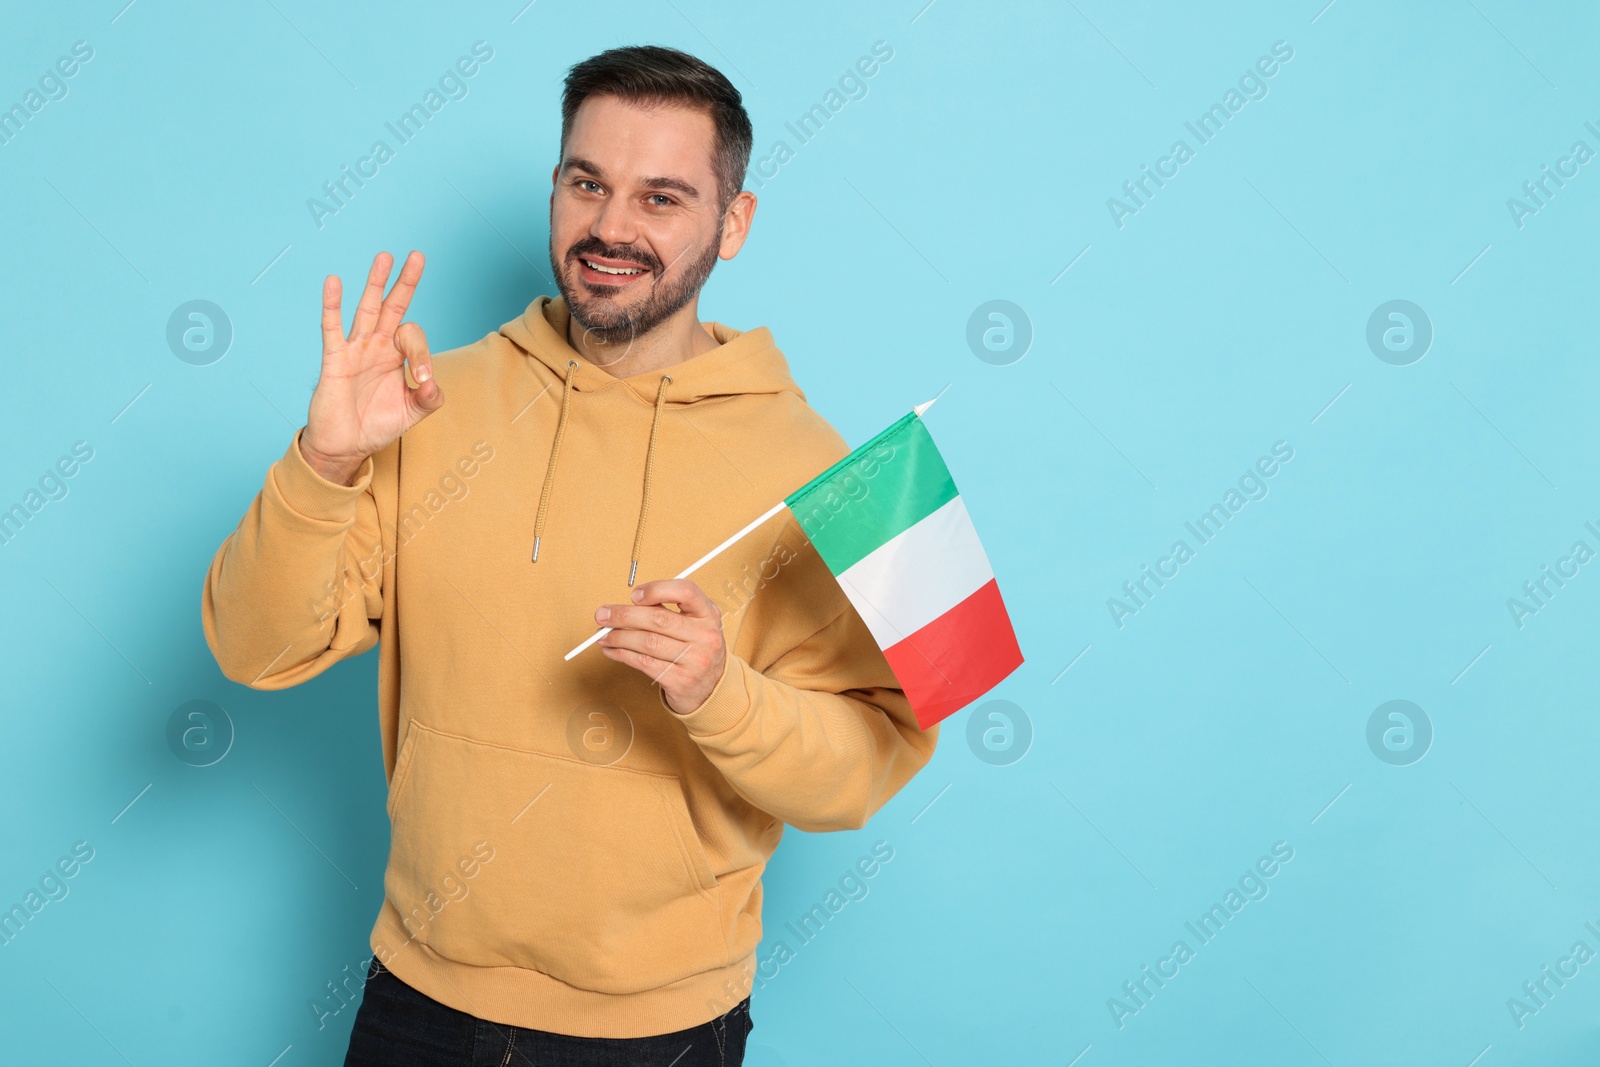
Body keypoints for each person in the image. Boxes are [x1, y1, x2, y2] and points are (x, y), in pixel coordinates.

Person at [201, 43, 938, 1066]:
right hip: (415, 994)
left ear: (735, 220)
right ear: (555, 186)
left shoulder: (823, 469)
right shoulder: (422, 402)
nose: (610, 228)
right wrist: (323, 462)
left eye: (662, 197)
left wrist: (723, 692)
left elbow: (863, 767)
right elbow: (254, 648)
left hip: (660, 1029)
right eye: (586, 182)